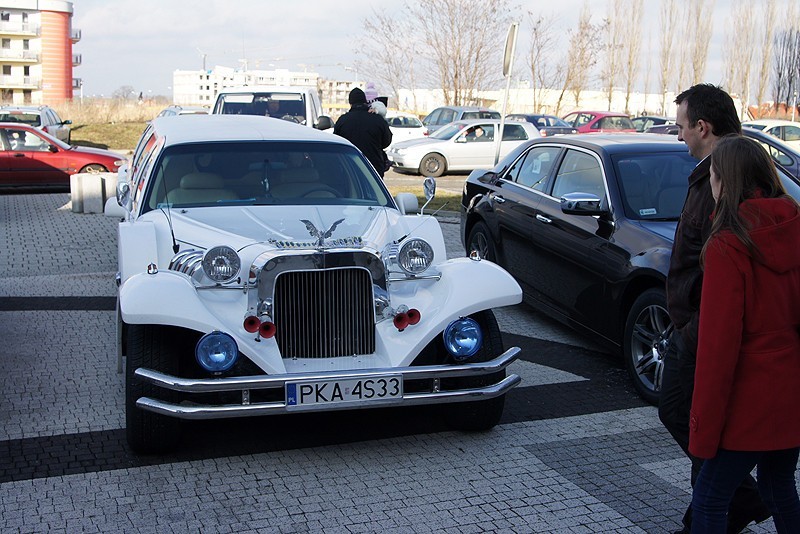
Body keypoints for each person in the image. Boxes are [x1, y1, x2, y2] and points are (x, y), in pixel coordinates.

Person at [658, 83, 771, 533]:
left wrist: (692, 331)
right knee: (698, 424)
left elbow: (722, 271)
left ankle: (736, 499)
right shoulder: (722, 172)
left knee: (682, 414)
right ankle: (719, 507)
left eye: (682, 127)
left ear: (703, 127)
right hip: (700, 328)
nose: (680, 136)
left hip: (704, 332)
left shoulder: (720, 181)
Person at [689, 134, 800, 532]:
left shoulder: (728, 245)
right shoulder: (794, 224)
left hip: (747, 403)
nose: (711, 187)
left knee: (708, 500)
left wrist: (702, 429)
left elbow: (718, 351)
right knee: (779, 486)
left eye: (714, 177)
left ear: (726, 181)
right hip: (791, 392)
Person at [333, 87, 392, 178]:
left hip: (349, 168)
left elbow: (337, 143)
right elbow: (386, 141)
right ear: (364, 101)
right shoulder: (377, 119)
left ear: (350, 103)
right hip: (374, 168)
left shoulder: (343, 120)